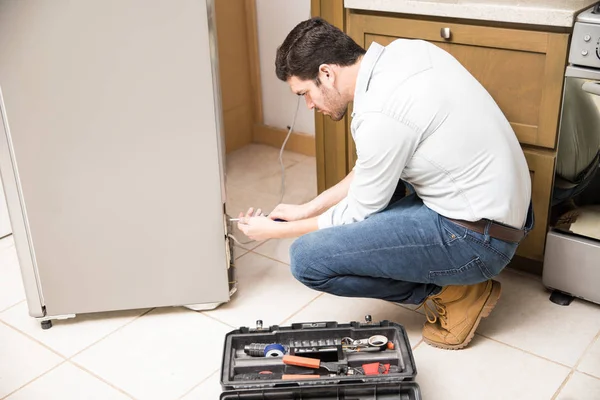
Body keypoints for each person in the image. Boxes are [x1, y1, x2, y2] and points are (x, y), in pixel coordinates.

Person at [236, 17, 534, 350]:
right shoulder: (406, 52)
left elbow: (357, 212)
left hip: (478, 240)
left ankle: (459, 291)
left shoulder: (380, 115)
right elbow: (371, 168)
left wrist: (272, 232)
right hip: (501, 214)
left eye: (305, 93)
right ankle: (453, 278)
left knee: (307, 259)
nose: (309, 105)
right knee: (380, 187)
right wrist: (307, 208)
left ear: (326, 73)